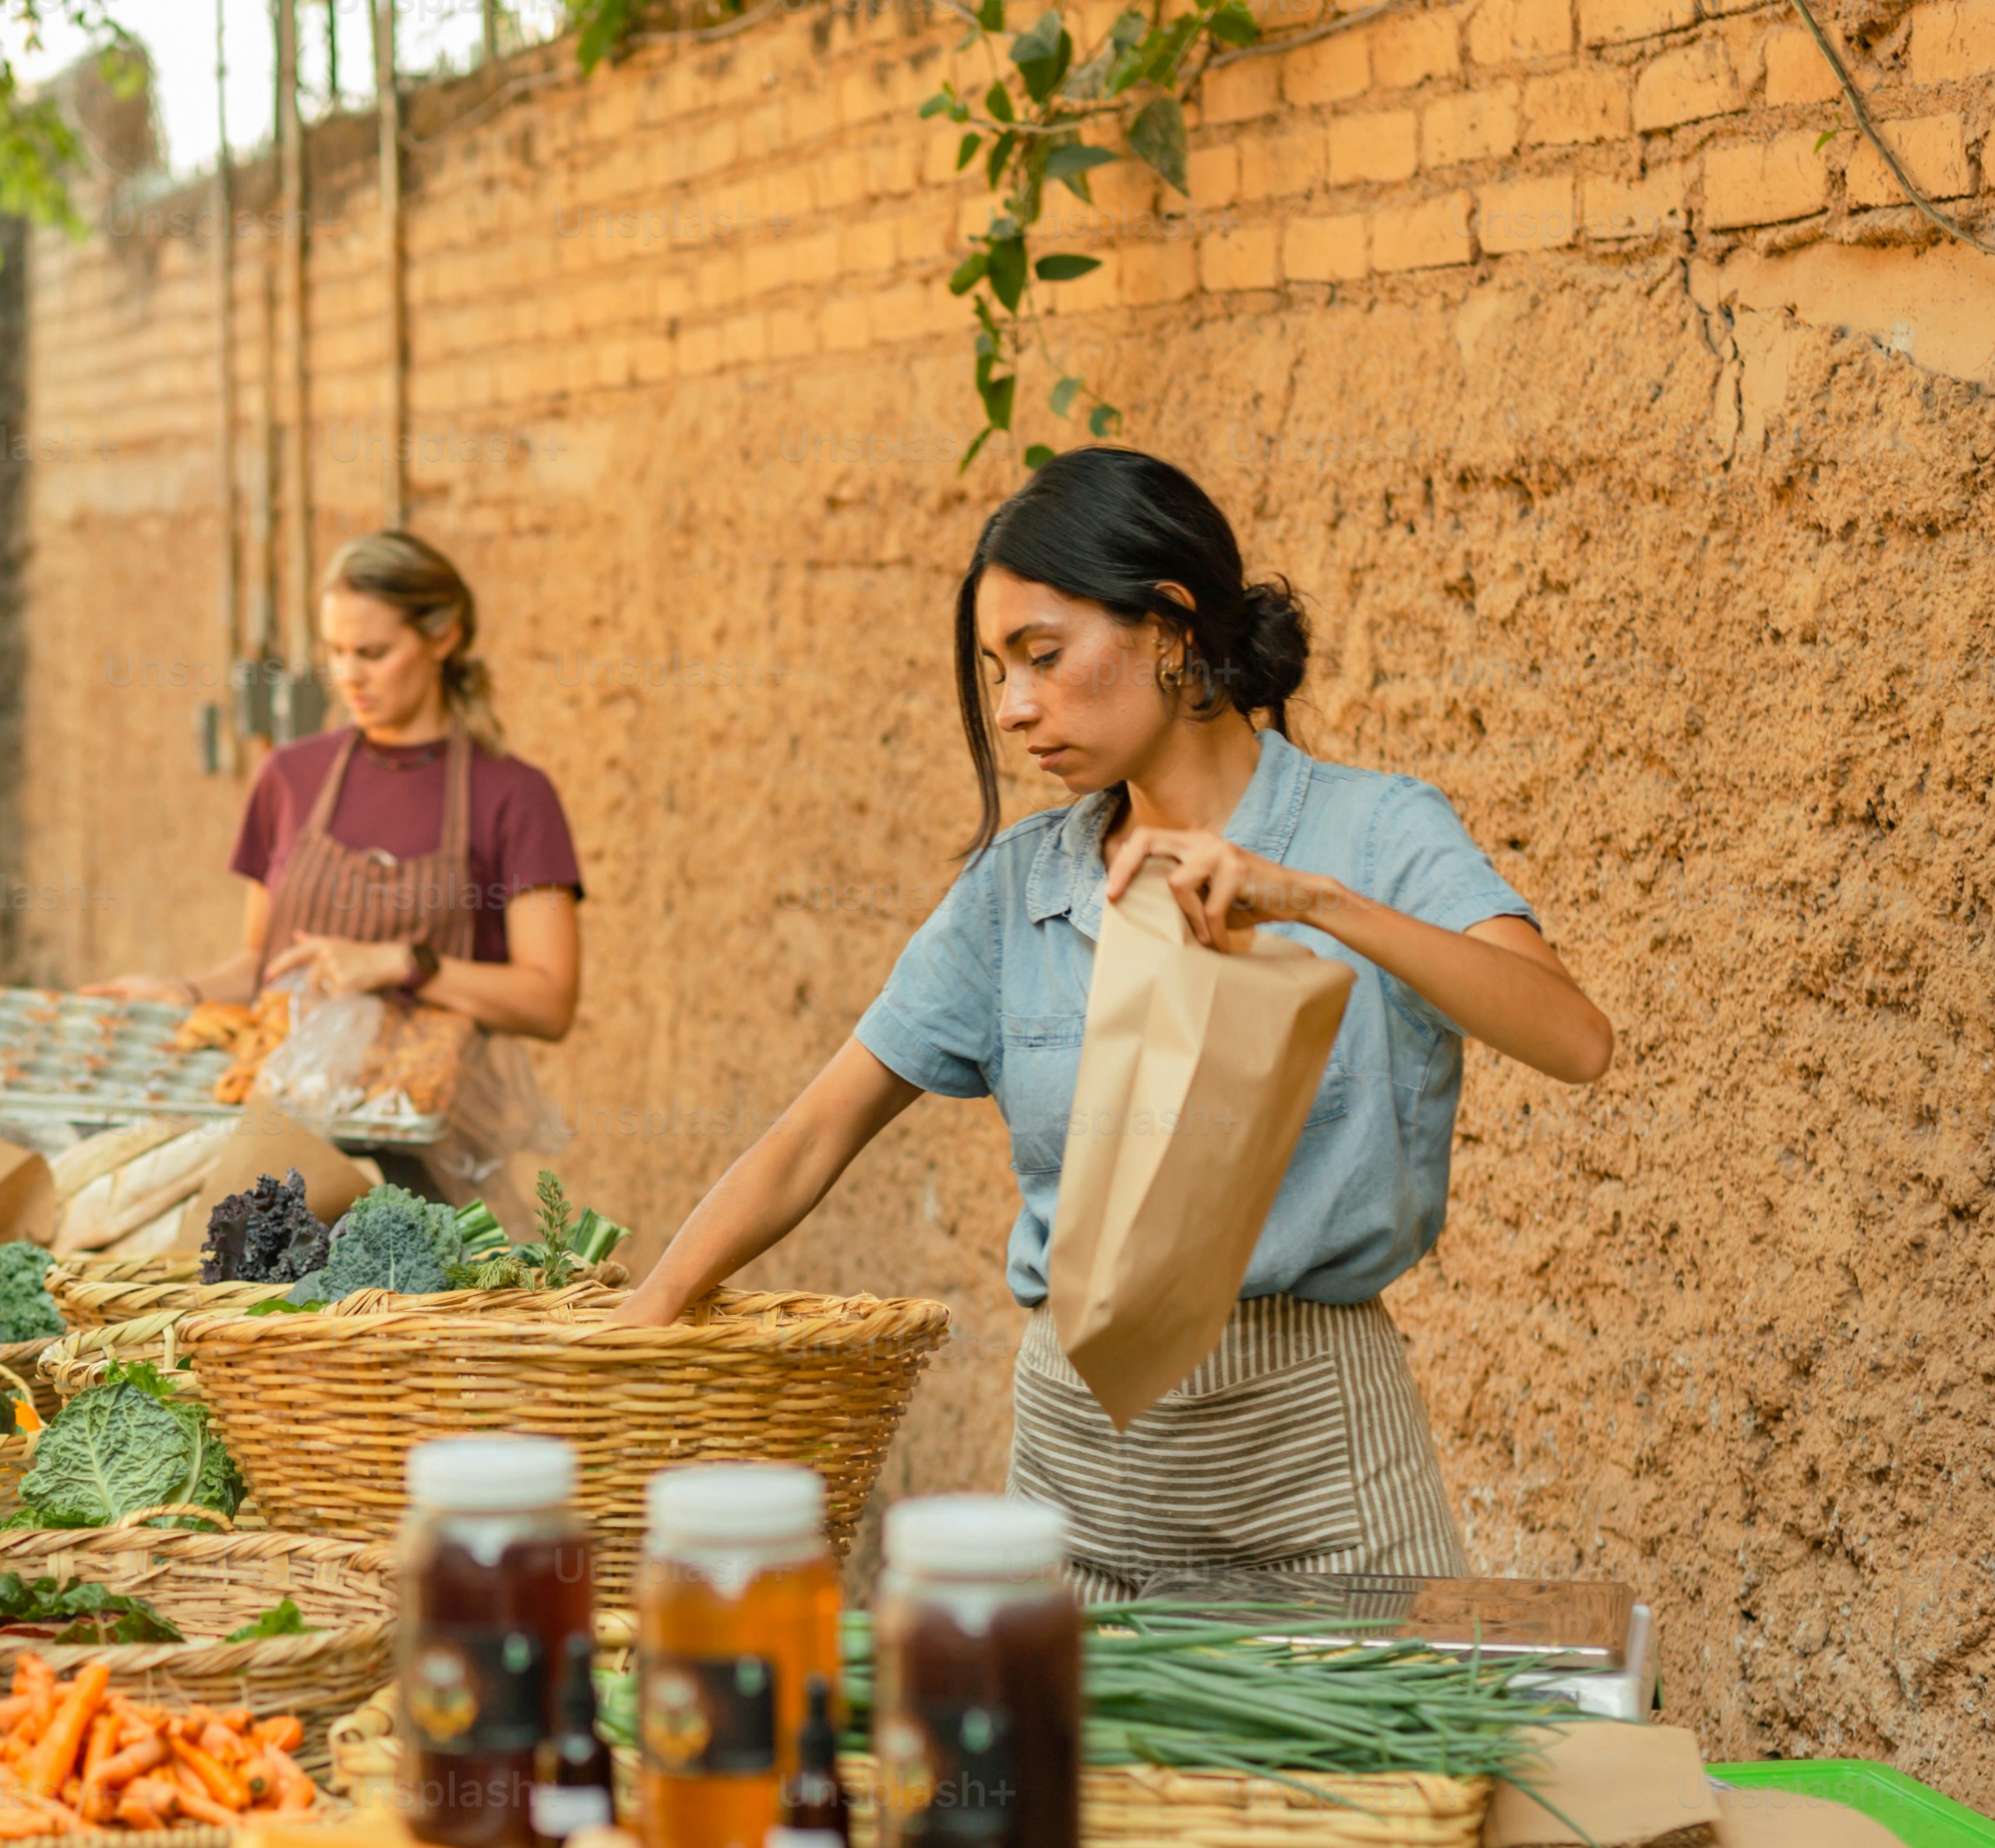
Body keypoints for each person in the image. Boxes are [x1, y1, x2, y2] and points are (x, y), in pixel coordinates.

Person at [622, 447, 1613, 1598]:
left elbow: (1572, 1039)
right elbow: (813, 1132)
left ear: (1173, 627)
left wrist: (1312, 900)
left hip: (1316, 1472)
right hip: (1076, 1492)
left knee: (1373, 1782)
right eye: (997, 671)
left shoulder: (1377, 830)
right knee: (1062, 1780)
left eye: (1044, 657)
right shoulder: (1015, 889)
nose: (1014, 708)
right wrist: (644, 1317)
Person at [87, 531, 583, 1213]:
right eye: (336, 652)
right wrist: (183, 991)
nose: (349, 676)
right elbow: (266, 966)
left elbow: (549, 1001)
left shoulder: (515, 796)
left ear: (443, 637)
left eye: (373, 653)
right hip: (276, 1155)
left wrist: (407, 963)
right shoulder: (290, 777)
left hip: (431, 1174)